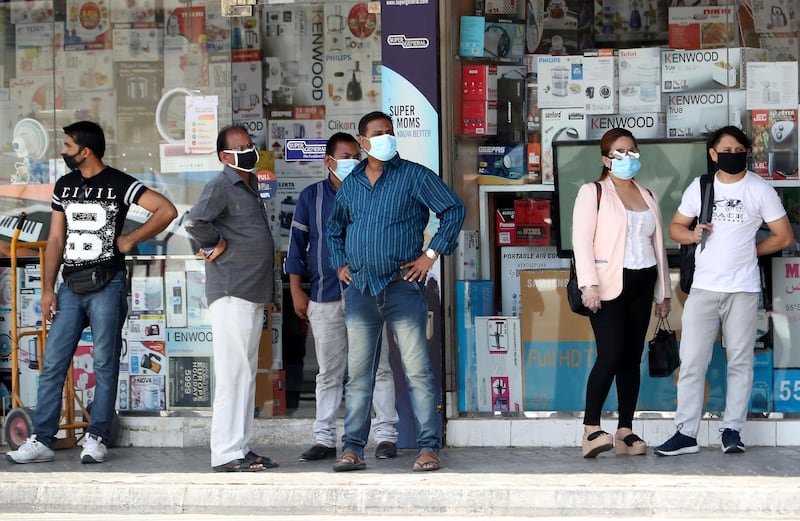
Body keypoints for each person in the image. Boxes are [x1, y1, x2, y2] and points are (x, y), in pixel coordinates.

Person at [6, 121, 177, 464]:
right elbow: (55, 239)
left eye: (68, 146)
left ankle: (96, 437)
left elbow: (166, 210)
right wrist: (47, 289)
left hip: (107, 283)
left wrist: (129, 240)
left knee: (104, 362)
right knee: (53, 362)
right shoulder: (64, 186)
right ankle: (41, 439)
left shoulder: (118, 182)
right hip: (70, 285)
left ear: (86, 151)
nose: (63, 151)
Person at [327, 111, 465, 472]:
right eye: (378, 133)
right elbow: (334, 229)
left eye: (390, 132)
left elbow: (454, 209)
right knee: (359, 374)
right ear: (363, 142)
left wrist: (430, 254)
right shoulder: (353, 182)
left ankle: (428, 448)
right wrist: (340, 262)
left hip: (402, 287)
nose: (386, 137)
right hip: (360, 290)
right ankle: (353, 449)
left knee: (417, 371)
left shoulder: (414, 176)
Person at [655, 126, 793, 456]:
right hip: (702, 288)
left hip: (743, 290)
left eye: (739, 149)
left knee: (740, 362)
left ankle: (732, 430)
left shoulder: (760, 189)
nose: (733, 154)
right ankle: (685, 433)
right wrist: (693, 235)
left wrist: (751, 252)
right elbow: (675, 226)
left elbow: (784, 236)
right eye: (726, 149)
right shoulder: (701, 187)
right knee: (691, 362)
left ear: (747, 152)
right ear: (713, 154)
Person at [285, 132, 400, 462]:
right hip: (324, 296)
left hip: (369, 295)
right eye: (345, 156)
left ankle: (386, 436)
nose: (352, 161)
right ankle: (324, 439)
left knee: (378, 369)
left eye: (355, 155)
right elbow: (296, 249)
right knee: (329, 372)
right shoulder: (311, 198)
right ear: (329, 161)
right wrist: (296, 291)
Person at [184, 125, 279, 472]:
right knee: (232, 374)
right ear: (224, 157)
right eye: (239, 148)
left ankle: (241, 447)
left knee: (245, 373)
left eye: (250, 145)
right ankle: (225, 452)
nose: (248, 151)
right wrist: (214, 244)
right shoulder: (221, 185)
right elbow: (195, 221)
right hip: (231, 290)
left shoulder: (249, 185)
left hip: (251, 291)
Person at [572, 127, 671, 458]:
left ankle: (625, 430)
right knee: (611, 354)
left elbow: (657, 246)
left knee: (631, 358)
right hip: (608, 285)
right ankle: (590, 429)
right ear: (606, 159)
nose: (627, 158)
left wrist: (663, 292)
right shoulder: (593, 192)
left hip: (643, 282)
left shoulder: (647, 195)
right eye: (619, 153)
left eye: (632, 151)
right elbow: (582, 241)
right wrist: (589, 284)